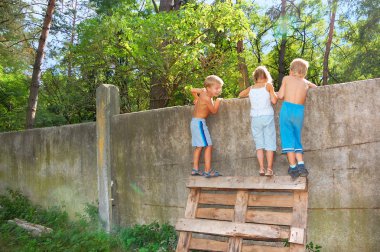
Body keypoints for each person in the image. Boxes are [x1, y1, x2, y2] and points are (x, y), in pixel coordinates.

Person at [277, 58, 317, 178]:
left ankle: (293, 167)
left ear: (291, 70)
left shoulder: (286, 79)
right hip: (299, 111)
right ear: (304, 72)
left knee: (288, 138)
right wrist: (307, 82)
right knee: (296, 137)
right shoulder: (305, 82)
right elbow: (315, 87)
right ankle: (301, 165)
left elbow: (280, 95)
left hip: (287, 110)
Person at [239, 66, 278, 176]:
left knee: (259, 145)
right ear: (266, 76)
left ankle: (261, 168)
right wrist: (274, 92)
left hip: (255, 118)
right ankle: (269, 169)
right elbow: (274, 100)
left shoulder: (251, 88)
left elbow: (241, 95)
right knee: (269, 143)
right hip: (267, 117)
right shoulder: (268, 86)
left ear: (255, 78)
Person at [190, 75, 223, 178]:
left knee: (199, 146)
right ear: (208, 88)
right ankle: (207, 171)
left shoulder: (203, 92)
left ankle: (195, 169)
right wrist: (218, 101)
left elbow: (192, 90)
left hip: (195, 122)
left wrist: (196, 99)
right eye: (216, 88)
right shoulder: (207, 98)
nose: (219, 90)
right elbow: (213, 111)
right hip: (199, 123)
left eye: (220, 88)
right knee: (208, 146)